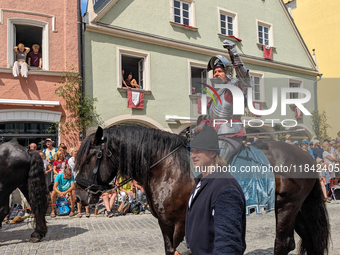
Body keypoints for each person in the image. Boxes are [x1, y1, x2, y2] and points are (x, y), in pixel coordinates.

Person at [186, 126, 246, 254]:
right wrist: (184, 248)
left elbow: (228, 244)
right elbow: (197, 222)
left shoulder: (225, 189)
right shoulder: (200, 182)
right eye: (192, 151)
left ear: (213, 153)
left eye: (198, 151)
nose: (193, 156)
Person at [193, 39, 253, 162]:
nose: (216, 74)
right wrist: (198, 128)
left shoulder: (233, 89)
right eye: (215, 72)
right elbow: (208, 119)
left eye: (220, 71)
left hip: (229, 136)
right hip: (213, 136)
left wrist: (233, 53)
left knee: (215, 163)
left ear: (228, 73)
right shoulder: (215, 95)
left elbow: (245, 81)